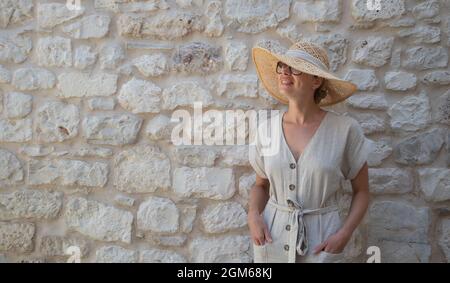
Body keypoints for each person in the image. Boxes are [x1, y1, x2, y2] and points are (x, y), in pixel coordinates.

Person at [248, 40, 370, 263]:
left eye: (294, 68)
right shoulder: (267, 130)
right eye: (282, 67)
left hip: (323, 241)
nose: (285, 72)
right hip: (272, 239)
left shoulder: (344, 130)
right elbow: (261, 185)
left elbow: (362, 191)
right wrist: (253, 216)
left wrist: (344, 235)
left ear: (316, 80)